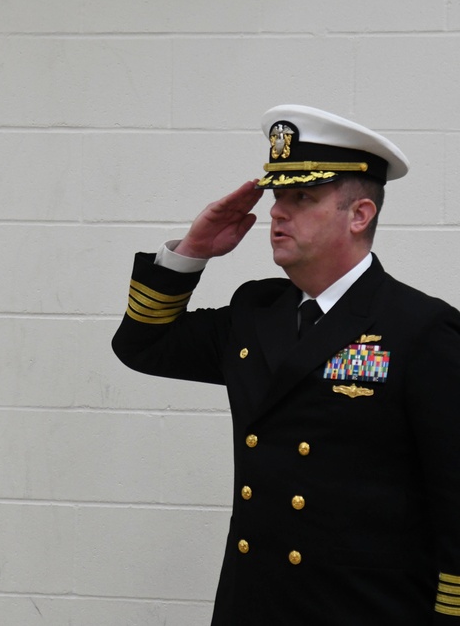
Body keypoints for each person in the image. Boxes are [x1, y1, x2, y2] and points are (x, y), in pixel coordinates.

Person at [111, 105, 460, 624]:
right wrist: (193, 250)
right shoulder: (258, 312)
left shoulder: (421, 328)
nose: (277, 212)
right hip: (255, 605)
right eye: (278, 197)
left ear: (359, 214)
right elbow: (144, 345)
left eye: (302, 197)